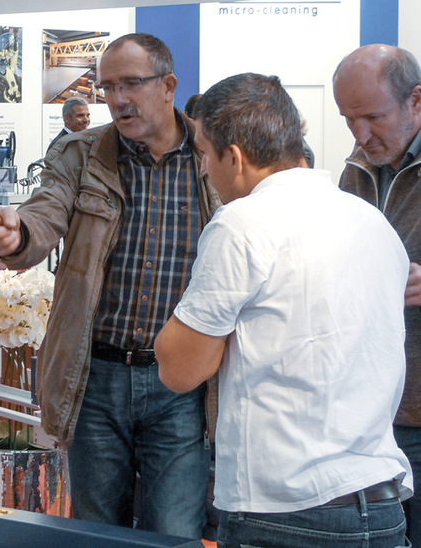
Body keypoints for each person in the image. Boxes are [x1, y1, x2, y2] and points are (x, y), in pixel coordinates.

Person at [0, 33, 219, 538]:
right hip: (97, 377)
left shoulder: (209, 158)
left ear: (168, 85)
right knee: (94, 531)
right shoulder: (83, 154)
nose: (117, 99)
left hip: (180, 381)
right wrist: (16, 233)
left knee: (173, 529)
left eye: (131, 83)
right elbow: (45, 213)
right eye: (108, 87)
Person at [155, 72, 412, 548]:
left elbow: (179, 369)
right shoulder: (372, 222)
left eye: (206, 155)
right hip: (380, 502)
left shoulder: (242, 223)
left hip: (284, 509)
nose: (205, 170)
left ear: (233, 157)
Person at [333, 43, 421, 545]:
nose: (360, 135)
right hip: (372, 409)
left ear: (416, 101)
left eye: (372, 117)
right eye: (348, 119)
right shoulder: (358, 167)